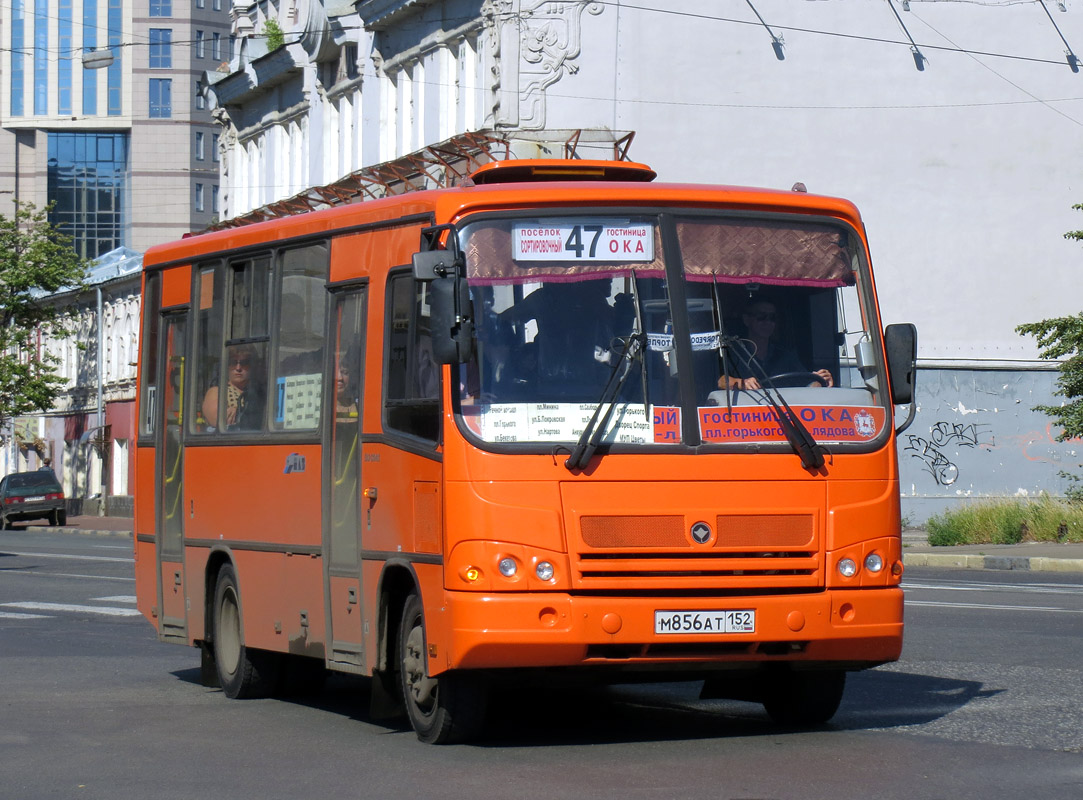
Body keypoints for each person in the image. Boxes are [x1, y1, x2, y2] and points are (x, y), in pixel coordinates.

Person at [719, 299, 833, 391]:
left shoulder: (785, 356)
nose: (768, 322)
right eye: (761, 317)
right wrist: (741, 383)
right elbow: (721, 381)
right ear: (746, 320)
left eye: (772, 318)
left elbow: (806, 384)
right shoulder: (733, 354)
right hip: (746, 415)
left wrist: (820, 379)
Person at [202, 344, 265, 430]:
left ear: (252, 365)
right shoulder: (217, 391)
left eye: (244, 363)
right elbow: (217, 419)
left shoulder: (261, 392)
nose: (238, 368)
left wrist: (237, 413)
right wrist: (242, 412)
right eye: (233, 363)